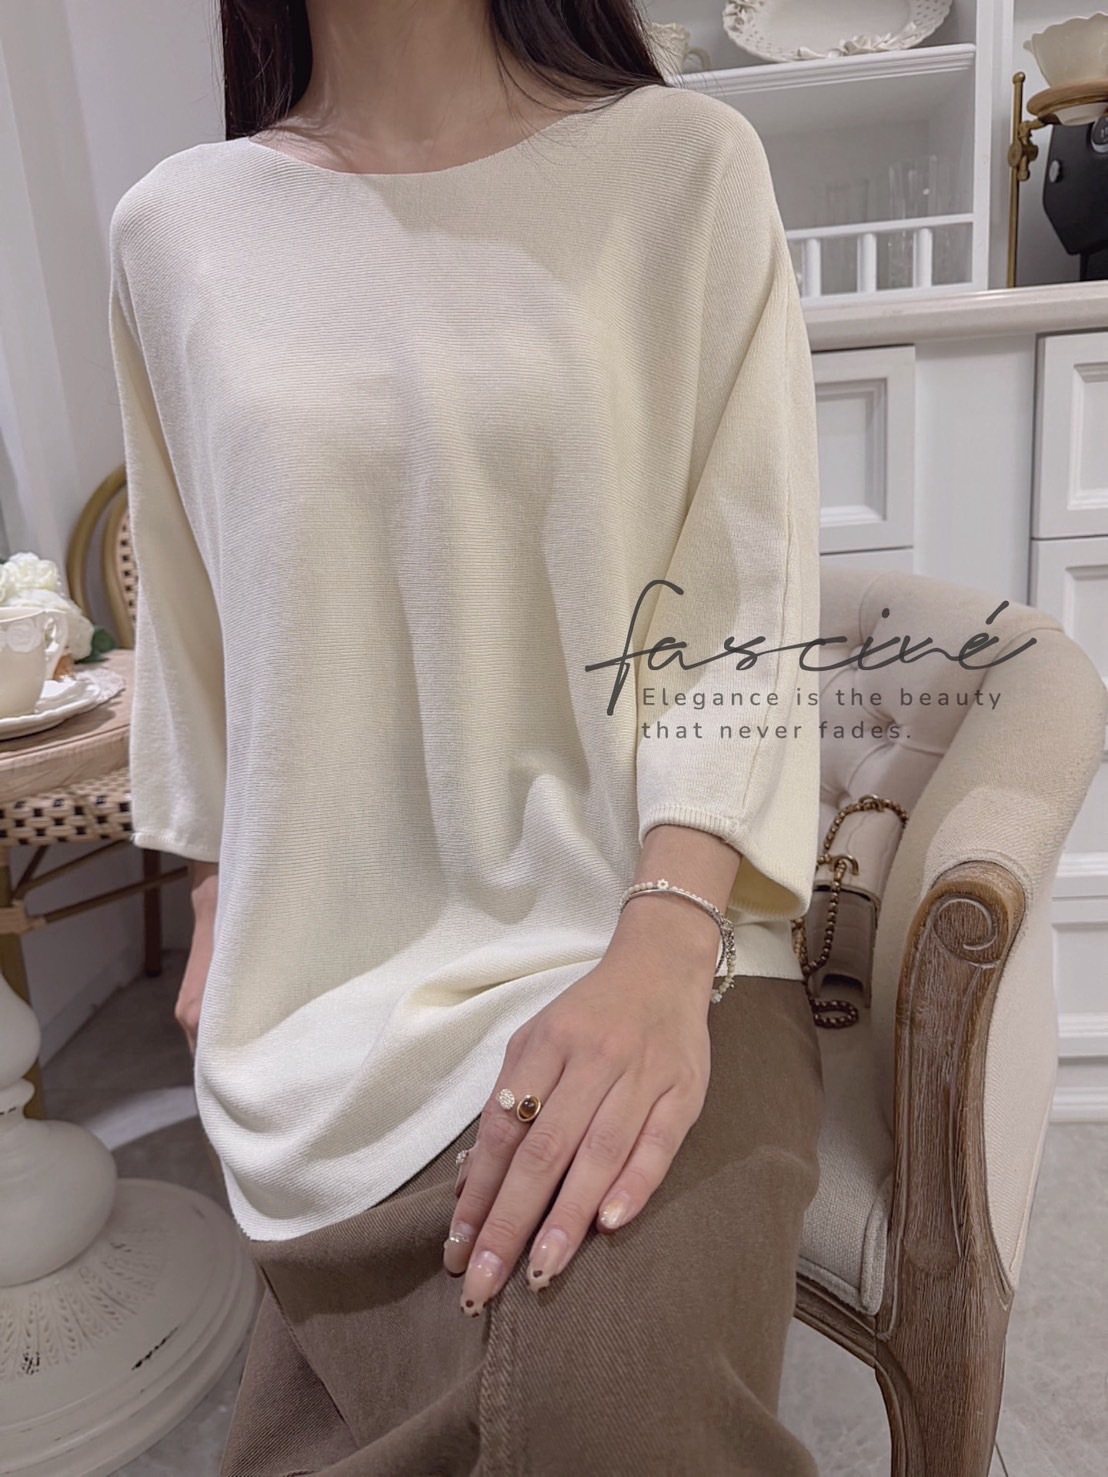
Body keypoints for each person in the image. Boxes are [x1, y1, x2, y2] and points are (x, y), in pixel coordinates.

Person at [107, 1, 826, 1471]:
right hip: (321, 996)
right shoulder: (173, 231)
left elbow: (743, 598)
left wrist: (663, 947)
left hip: (648, 935)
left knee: (599, 1417)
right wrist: (217, 882)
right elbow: (195, 607)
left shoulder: (684, 165)